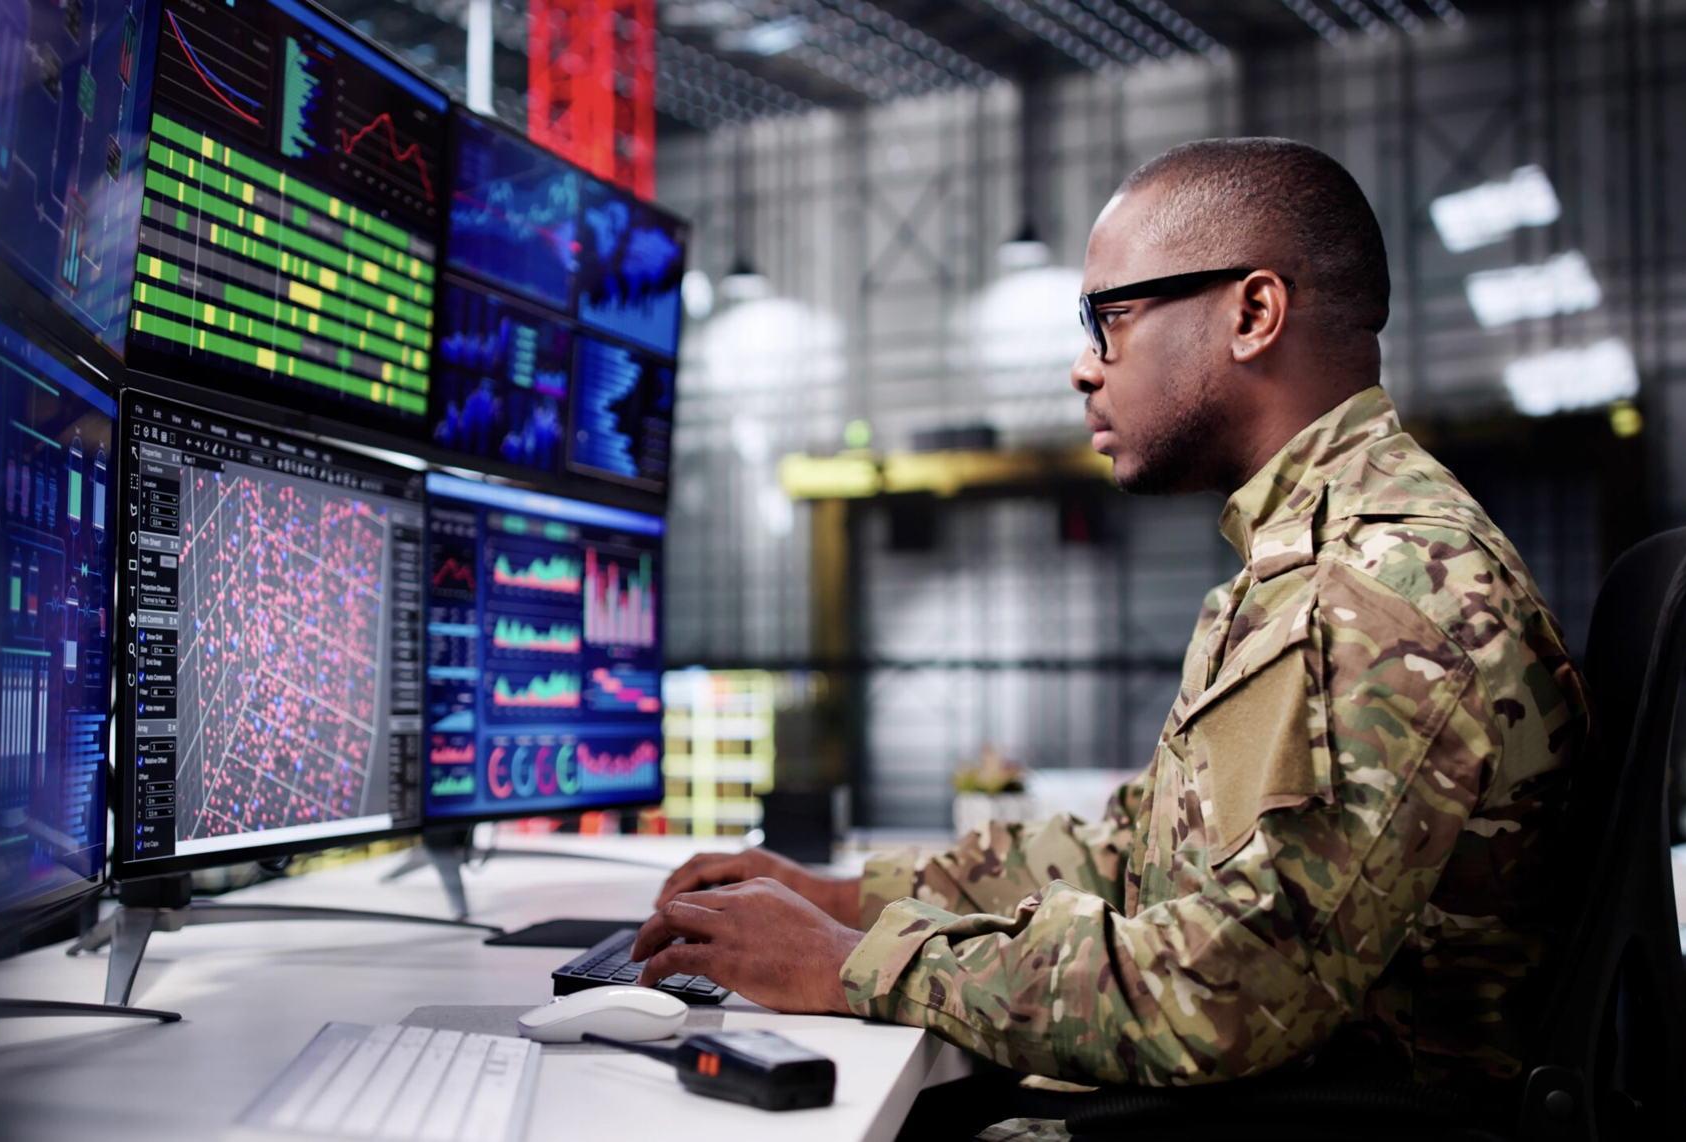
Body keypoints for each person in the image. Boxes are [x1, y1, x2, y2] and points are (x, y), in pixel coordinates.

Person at [631, 137, 1588, 1112]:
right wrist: (842, 897)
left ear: (1251, 312)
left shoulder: (1376, 591)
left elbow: (1227, 988)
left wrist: (856, 961)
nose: (1083, 370)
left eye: (1107, 317)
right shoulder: (1308, 560)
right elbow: (1136, 854)